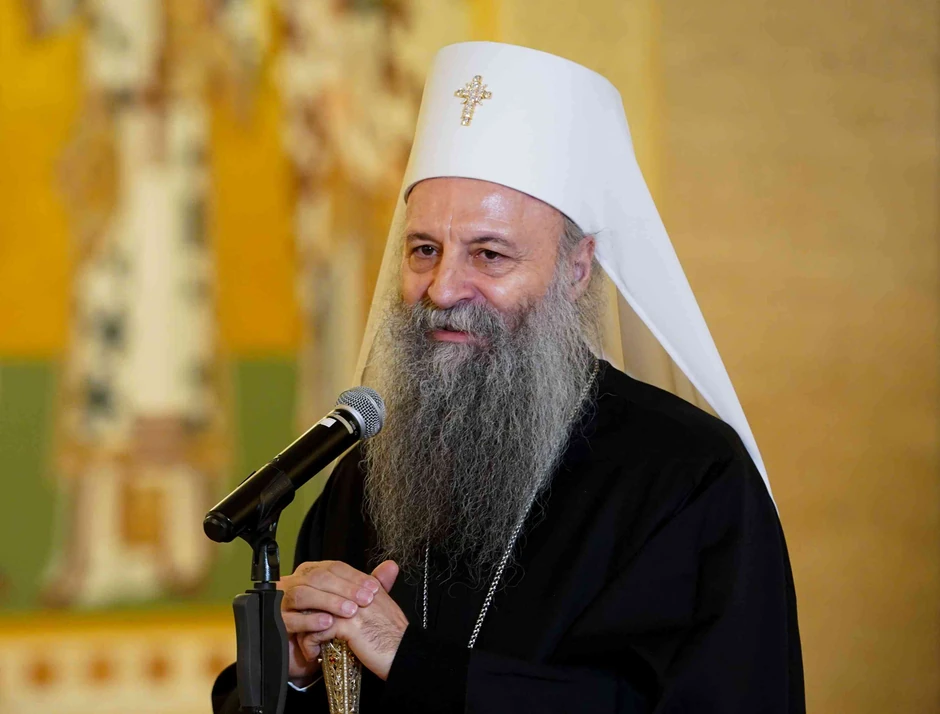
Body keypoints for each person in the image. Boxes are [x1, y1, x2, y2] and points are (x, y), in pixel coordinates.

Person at [212, 42, 804, 713]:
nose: (443, 289)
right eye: (424, 250)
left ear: (576, 269)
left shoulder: (690, 479)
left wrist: (412, 660)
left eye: (489, 255)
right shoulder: (370, 477)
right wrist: (291, 673)